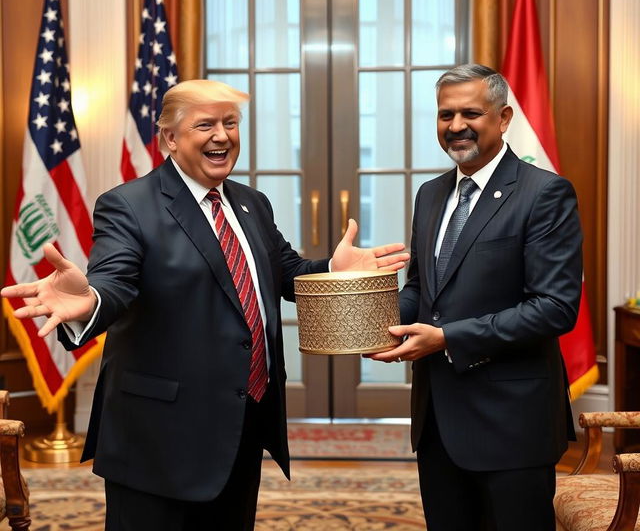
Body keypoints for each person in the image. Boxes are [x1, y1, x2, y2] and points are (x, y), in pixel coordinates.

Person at [1, 79, 409, 531]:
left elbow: (284, 274)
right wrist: (90, 298)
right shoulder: (128, 206)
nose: (222, 135)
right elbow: (115, 283)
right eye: (205, 125)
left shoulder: (253, 203)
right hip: (159, 438)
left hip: (241, 422)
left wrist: (335, 269)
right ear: (171, 139)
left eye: (230, 123)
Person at [369, 64, 582, 531]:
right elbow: (422, 292)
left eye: (471, 113)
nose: (456, 126)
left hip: (513, 423)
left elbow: (555, 307)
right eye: (446, 115)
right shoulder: (430, 194)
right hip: (438, 421)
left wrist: (446, 338)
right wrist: (370, 322)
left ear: (504, 118)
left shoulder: (544, 194)